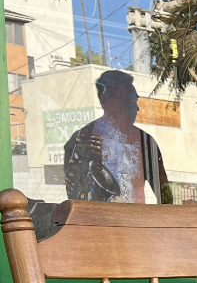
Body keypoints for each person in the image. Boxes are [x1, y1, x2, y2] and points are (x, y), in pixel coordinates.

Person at [63, 70, 171, 202]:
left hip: (135, 221)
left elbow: (165, 195)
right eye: (130, 101)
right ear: (107, 102)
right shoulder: (82, 139)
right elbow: (73, 194)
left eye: (133, 101)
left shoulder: (146, 142)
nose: (136, 108)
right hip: (96, 220)